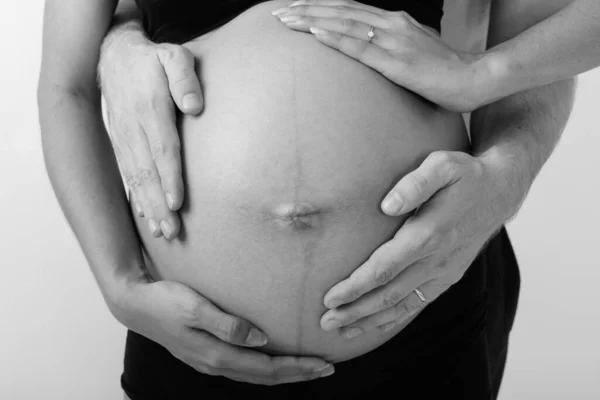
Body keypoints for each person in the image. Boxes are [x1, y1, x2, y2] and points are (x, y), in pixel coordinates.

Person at [36, 0, 593, 398]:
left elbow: (543, 27)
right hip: (185, 326)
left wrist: (482, 85)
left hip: (422, 293)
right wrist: (119, 284)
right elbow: (69, 84)